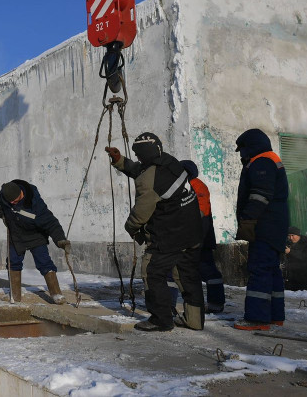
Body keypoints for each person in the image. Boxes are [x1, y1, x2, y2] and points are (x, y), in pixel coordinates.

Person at [105, 133, 204, 332]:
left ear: (146, 155)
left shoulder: (149, 179)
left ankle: (161, 319)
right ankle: (195, 320)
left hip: (170, 235)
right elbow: (142, 170)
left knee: (152, 272)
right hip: (193, 232)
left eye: (139, 155)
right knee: (187, 277)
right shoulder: (170, 163)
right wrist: (120, 161)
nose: (138, 159)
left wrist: (131, 228)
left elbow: (140, 214)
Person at [233, 128, 289, 331]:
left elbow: (260, 194)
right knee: (271, 269)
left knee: (259, 269)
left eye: (242, 150)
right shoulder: (271, 158)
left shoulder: (262, 161)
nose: (241, 155)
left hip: (265, 225)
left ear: (251, 146)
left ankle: (257, 318)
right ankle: (275, 315)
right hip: (275, 226)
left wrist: (248, 219)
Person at [0, 180, 71, 304]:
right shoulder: (4, 197)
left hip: (35, 235)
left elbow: (50, 221)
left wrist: (60, 239)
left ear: (21, 193)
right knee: (12, 262)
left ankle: (56, 294)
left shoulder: (34, 201)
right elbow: (2, 208)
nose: (12, 203)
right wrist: (3, 216)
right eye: (10, 202)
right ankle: (15, 296)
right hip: (16, 235)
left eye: (15, 201)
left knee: (44, 262)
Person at [180, 160, 226, 313]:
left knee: (207, 271)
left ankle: (215, 304)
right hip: (198, 238)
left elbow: (200, 211)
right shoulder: (189, 185)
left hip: (200, 239)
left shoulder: (196, 185)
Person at [284, 226, 307, 291]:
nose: (291, 238)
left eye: (293, 235)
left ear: (298, 235)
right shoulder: (288, 244)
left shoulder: (306, 245)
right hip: (291, 281)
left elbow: (305, 257)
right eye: (289, 236)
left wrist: (290, 252)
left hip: (304, 281)